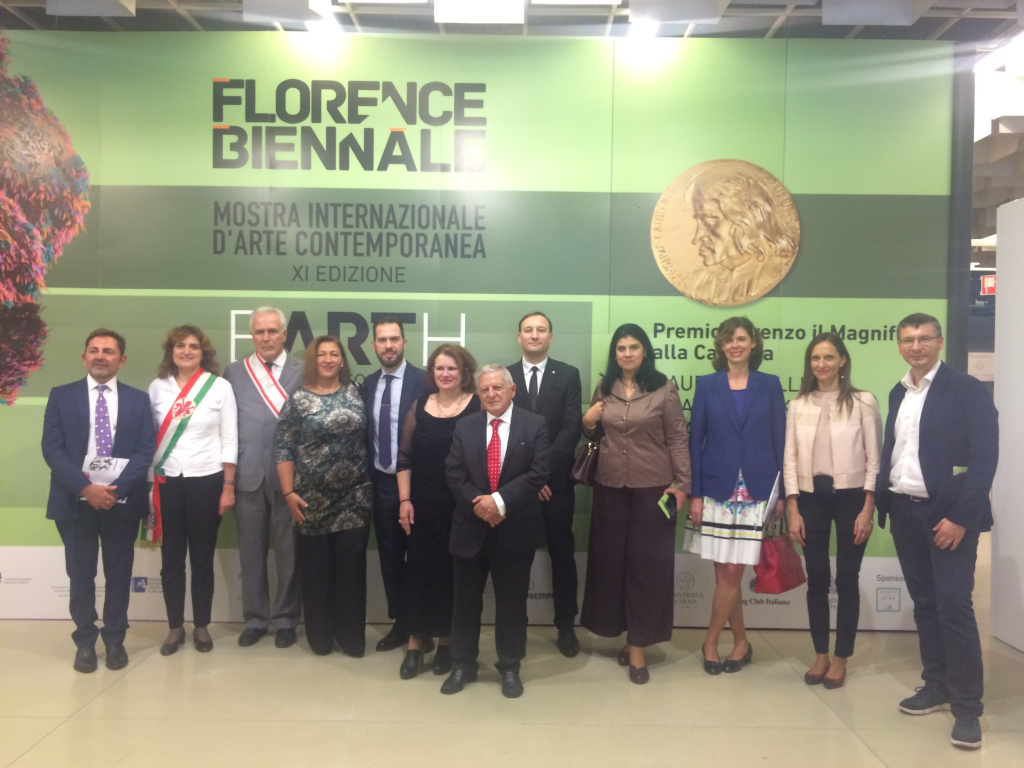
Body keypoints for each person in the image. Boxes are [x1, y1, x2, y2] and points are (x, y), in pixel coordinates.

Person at [875, 313, 998, 750]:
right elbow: (897, 451)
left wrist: (961, 516)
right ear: (899, 345)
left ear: (940, 342)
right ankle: (937, 684)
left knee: (953, 607)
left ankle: (968, 708)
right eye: (908, 339)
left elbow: (984, 459)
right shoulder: (899, 391)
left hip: (948, 517)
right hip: (905, 511)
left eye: (924, 338)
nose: (916, 346)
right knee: (926, 604)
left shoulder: (965, 389)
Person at [580, 324, 690, 684]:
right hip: (610, 486)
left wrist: (682, 484)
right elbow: (594, 431)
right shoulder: (604, 387)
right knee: (611, 566)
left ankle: (639, 646)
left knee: (647, 568)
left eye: (634, 347)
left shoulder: (664, 388)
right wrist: (587, 423)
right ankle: (622, 634)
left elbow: (677, 438)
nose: (627, 353)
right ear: (615, 353)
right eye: (621, 348)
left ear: (645, 351)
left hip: (653, 489)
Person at [41, 329, 156, 673]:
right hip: (75, 502)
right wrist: (86, 488)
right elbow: (52, 449)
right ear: (84, 357)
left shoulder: (138, 400)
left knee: (119, 574)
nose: (100, 356)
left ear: (122, 360)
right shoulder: (61, 396)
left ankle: (116, 639)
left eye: (108, 351)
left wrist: (116, 489)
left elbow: (145, 450)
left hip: (122, 501)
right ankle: (85, 642)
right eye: (93, 350)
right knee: (81, 576)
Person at [442, 365, 550, 698]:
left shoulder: (535, 425)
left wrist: (499, 502)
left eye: (498, 388)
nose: (491, 394)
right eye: (485, 389)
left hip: (515, 529)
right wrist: (481, 505)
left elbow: (538, 473)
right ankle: (463, 664)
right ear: (479, 394)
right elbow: (454, 471)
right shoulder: (465, 426)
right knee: (464, 603)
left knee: (512, 604)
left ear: (512, 390)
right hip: (470, 527)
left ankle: (510, 666)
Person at [688, 316, 785, 675]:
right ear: (721, 345)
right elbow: (695, 442)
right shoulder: (707, 385)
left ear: (754, 343)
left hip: (756, 492)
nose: (735, 345)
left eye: (742, 338)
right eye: (729, 339)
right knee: (726, 578)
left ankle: (710, 641)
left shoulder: (770, 385)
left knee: (731, 574)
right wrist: (695, 494)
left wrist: (781, 494)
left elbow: (780, 440)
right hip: (716, 490)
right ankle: (741, 642)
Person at [784, 332, 882, 689]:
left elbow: (874, 460)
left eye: (828, 357)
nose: (821, 364)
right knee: (817, 579)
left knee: (846, 579)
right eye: (815, 358)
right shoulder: (798, 405)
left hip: (852, 498)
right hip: (811, 497)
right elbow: (790, 460)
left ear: (842, 360)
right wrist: (793, 508)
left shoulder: (863, 401)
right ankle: (821, 655)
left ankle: (841, 657)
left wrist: (867, 508)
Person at [276, 335, 373, 657]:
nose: (328, 359)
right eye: (322, 354)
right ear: (313, 360)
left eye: (334, 354)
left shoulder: (356, 393)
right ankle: (320, 636)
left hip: (355, 499)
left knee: (351, 573)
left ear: (343, 360)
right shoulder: (298, 400)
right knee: (316, 573)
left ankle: (351, 638)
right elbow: (283, 447)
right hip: (311, 501)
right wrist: (288, 492)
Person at [148, 325, 238, 655]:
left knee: (202, 558)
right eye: (180, 346)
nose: (186, 351)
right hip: (167, 482)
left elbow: (230, 440)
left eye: (193, 346)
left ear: (204, 353)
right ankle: (175, 627)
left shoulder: (219, 387)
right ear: (170, 352)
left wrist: (228, 486)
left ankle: (201, 625)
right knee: (171, 560)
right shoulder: (157, 388)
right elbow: (149, 438)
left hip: (207, 481)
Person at [395, 344, 480, 679]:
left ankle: (446, 642)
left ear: (464, 372)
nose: (445, 374)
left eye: (452, 368)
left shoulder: (476, 407)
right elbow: (404, 458)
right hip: (421, 506)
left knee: (452, 576)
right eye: (440, 368)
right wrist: (404, 500)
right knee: (419, 573)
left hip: (461, 506)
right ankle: (416, 644)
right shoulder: (419, 406)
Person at [223, 307, 303, 649]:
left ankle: (286, 619)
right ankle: (255, 619)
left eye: (272, 331)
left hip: (291, 478)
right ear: (252, 335)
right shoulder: (234, 372)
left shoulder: (303, 368)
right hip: (248, 475)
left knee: (289, 554)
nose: (266, 338)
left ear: (285, 334)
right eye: (259, 332)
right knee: (251, 554)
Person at [508, 312, 584, 657]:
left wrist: (542, 473)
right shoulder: (505, 376)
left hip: (556, 485)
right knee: (515, 560)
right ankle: (516, 627)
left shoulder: (568, 375)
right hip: (518, 486)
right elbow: (503, 429)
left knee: (562, 556)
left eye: (541, 330)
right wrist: (530, 478)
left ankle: (566, 626)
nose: (534, 335)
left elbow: (571, 428)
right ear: (519, 337)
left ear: (550, 337)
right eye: (528, 330)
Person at [362, 316, 427, 653]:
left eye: (394, 339)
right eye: (382, 340)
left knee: (420, 558)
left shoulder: (425, 380)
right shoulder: (369, 383)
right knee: (390, 558)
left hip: (420, 485)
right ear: (374, 346)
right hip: (382, 484)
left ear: (404, 343)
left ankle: (423, 626)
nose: (389, 345)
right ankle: (401, 623)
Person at [679, 168, 798, 306]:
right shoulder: (695, 282)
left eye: (708, 220)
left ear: (745, 220)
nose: (697, 237)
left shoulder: (777, 273)